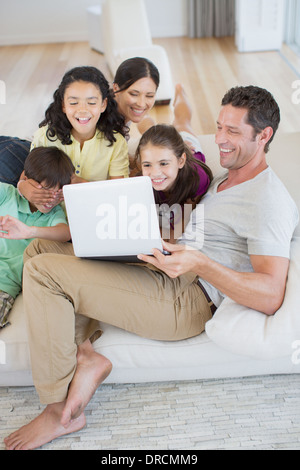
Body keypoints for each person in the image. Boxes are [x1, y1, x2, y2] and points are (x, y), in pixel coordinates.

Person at [4, 85, 299, 450]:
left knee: (43, 272)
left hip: (187, 301)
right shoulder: (230, 176)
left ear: (264, 135)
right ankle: (85, 355)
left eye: (233, 132)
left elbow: (271, 295)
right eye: (220, 126)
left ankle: (58, 410)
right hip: (165, 268)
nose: (221, 139)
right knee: (40, 249)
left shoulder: (268, 200)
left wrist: (201, 263)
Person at [17, 66, 129, 207]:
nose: (82, 110)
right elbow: (29, 174)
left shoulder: (116, 143)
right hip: (50, 217)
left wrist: (83, 186)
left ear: (103, 104)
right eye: (74, 103)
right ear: (63, 105)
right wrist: (22, 186)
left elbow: (119, 193)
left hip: (96, 211)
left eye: (91, 103)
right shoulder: (45, 137)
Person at [0, 146, 74, 329]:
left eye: (58, 194)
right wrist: (20, 186)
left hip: (4, 283)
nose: (50, 199)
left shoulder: (53, 214)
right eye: (45, 191)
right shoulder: (7, 194)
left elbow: (65, 233)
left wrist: (30, 232)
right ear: (26, 179)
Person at [134, 123, 213, 240]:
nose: (155, 173)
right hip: (169, 152)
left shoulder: (197, 179)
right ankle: (146, 122)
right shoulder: (141, 180)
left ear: (181, 161)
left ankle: (177, 105)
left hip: (190, 154)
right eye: (147, 165)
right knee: (150, 134)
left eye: (164, 163)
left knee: (182, 121)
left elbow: (177, 231)